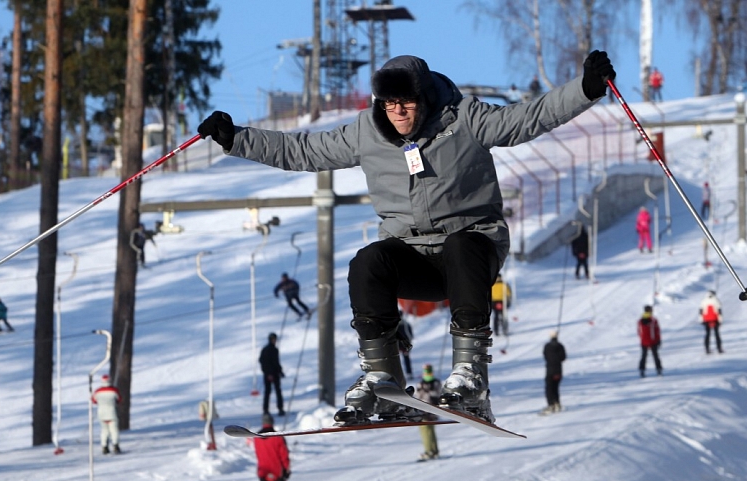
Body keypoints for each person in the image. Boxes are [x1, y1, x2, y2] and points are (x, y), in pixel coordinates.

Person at [198, 50, 615, 425]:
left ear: (425, 98)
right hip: (413, 257)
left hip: (470, 251)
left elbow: (528, 118)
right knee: (368, 261)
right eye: (390, 103)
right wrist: (237, 138)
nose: (399, 111)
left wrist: (586, 89)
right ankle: (384, 377)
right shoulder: (367, 132)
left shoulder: (465, 118)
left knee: (461, 243)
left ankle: (471, 377)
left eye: (407, 102)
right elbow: (304, 150)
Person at [415, 364, 441, 460]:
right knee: (425, 430)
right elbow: (418, 396)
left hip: (432, 410)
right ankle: (432, 450)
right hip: (422, 411)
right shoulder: (421, 384)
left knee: (428, 431)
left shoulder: (435, 383)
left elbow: (436, 395)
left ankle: (431, 450)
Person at [92, 374, 121, 454]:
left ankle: (104, 446)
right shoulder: (114, 390)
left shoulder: (98, 391)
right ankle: (115, 445)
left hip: (101, 413)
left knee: (104, 430)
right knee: (114, 430)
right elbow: (119, 400)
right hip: (112, 412)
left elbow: (93, 400)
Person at [259, 332, 285, 416]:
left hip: (275, 374)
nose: (274, 341)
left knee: (278, 391)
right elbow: (263, 362)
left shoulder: (275, 349)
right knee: (268, 392)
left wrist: (280, 371)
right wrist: (268, 373)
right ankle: (266, 410)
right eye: (273, 339)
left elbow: (276, 362)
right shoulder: (266, 350)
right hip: (268, 374)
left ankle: (280, 408)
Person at [541, 331, 566, 414]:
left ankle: (551, 404)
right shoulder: (560, 346)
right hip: (558, 370)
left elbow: (545, 356)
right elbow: (563, 357)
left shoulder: (547, 346)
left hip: (550, 371)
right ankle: (557, 402)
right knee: (556, 388)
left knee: (549, 388)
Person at [637, 305, 662, 377]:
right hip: (653, 341)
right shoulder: (654, 320)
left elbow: (639, 332)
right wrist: (659, 340)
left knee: (644, 356)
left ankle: (642, 370)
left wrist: (642, 339)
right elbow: (657, 331)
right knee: (655, 356)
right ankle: (659, 370)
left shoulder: (640, 320)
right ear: (651, 311)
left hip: (644, 341)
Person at [396, 311, 414, 380]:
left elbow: (409, 335)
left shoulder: (405, 324)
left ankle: (408, 373)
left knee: (405, 359)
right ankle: (399, 374)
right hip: (398, 344)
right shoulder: (402, 324)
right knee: (397, 359)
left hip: (403, 345)